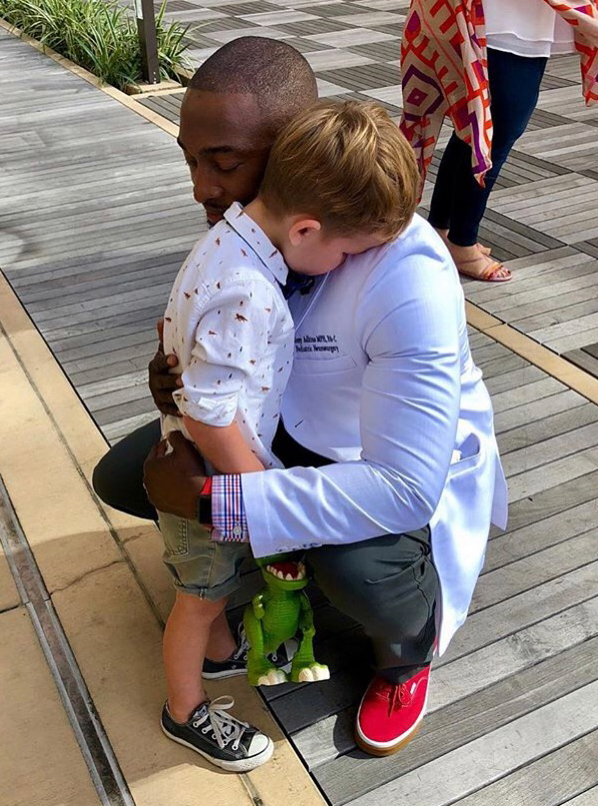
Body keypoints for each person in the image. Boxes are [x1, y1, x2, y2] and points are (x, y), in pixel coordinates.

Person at [94, 36, 508, 758]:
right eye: (191, 159)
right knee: (128, 474)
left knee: (357, 566)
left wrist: (219, 502)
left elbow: (405, 487)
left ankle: (405, 652)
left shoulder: (403, 273)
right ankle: (259, 569)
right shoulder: (250, 231)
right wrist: (169, 377)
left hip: (377, 462)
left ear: (294, 149)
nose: (200, 187)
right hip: (280, 433)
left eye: (222, 161)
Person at [157, 98, 413, 771]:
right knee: (197, 598)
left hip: (207, 464)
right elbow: (210, 417)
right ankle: (185, 711)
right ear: (306, 229)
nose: (348, 263)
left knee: (210, 592)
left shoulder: (229, 242)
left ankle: (219, 656)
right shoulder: (249, 288)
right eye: (349, 251)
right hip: (209, 477)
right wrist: (265, 498)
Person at [401, 0, 598, 282]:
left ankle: (443, 229)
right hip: (502, 19)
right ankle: (461, 241)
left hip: (498, 18)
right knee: (496, 130)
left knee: (474, 128)